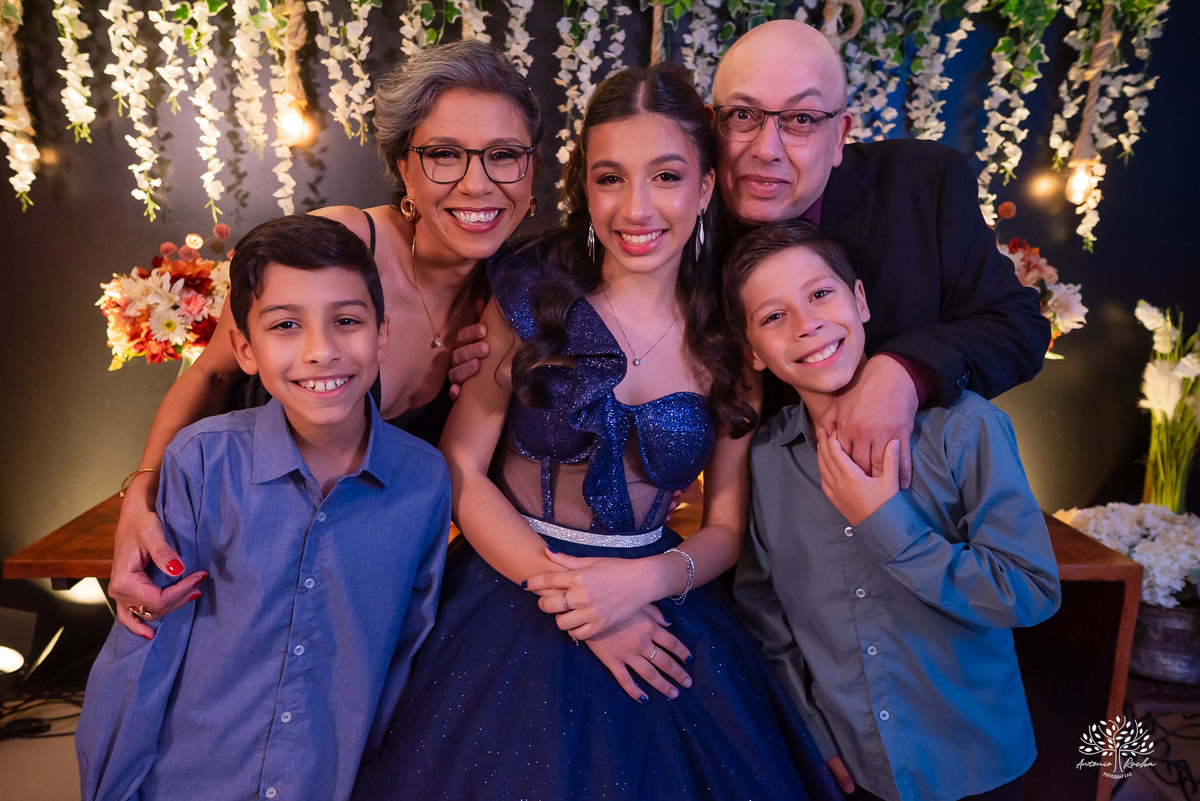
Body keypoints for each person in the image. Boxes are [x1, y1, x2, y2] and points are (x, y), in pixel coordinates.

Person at [350, 64, 840, 801]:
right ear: (585, 185)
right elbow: (459, 465)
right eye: (611, 178)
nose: (636, 207)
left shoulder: (731, 335)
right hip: (511, 591)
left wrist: (644, 580)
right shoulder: (528, 293)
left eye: (667, 176)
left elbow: (726, 526)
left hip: (662, 598)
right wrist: (581, 604)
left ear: (706, 186)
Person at [107, 40, 541, 637]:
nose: (478, 183)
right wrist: (142, 494)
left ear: (531, 166)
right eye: (445, 155)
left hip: (355, 570)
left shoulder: (515, 292)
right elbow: (210, 372)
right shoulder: (339, 246)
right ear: (403, 167)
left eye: (503, 155)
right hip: (234, 539)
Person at [75, 215, 452, 801]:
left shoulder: (424, 479)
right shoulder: (202, 461)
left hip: (325, 779)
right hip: (191, 778)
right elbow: (144, 651)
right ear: (245, 349)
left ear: (382, 334)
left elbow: (405, 647)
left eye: (347, 321)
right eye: (285, 326)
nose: (321, 350)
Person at [723, 220, 1062, 801]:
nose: (807, 324)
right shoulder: (766, 460)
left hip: (978, 765)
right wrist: (812, 732)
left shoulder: (965, 430)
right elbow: (765, 614)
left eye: (820, 294)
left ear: (859, 301)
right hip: (855, 770)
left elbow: (1030, 591)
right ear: (752, 352)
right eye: (773, 316)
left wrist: (888, 525)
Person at [710, 20, 1051, 488]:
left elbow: (1018, 327)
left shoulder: (923, 183)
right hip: (757, 521)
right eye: (744, 116)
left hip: (922, 507)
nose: (766, 149)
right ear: (716, 123)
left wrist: (903, 374)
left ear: (839, 136)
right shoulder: (680, 217)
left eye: (802, 119)